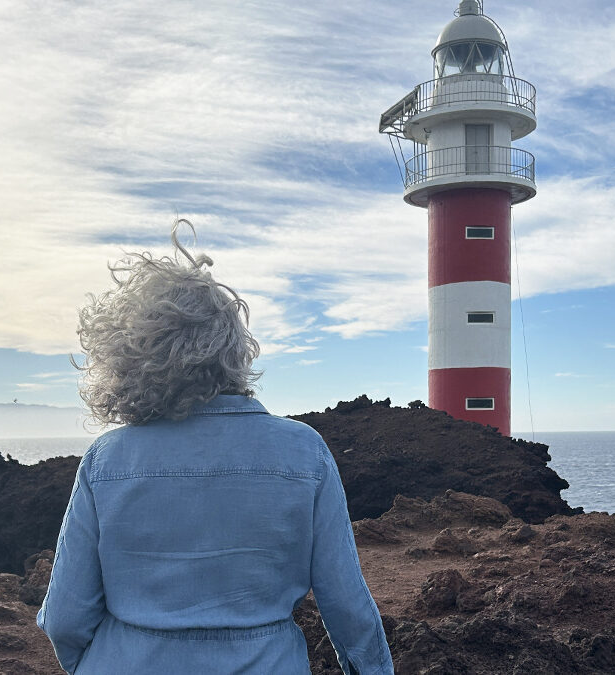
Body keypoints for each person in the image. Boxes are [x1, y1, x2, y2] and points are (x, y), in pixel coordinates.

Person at [37, 220, 393, 674]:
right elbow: (346, 604)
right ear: (234, 347)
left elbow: (66, 616)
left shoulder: (107, 460)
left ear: (128, 356)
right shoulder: (304, 452)